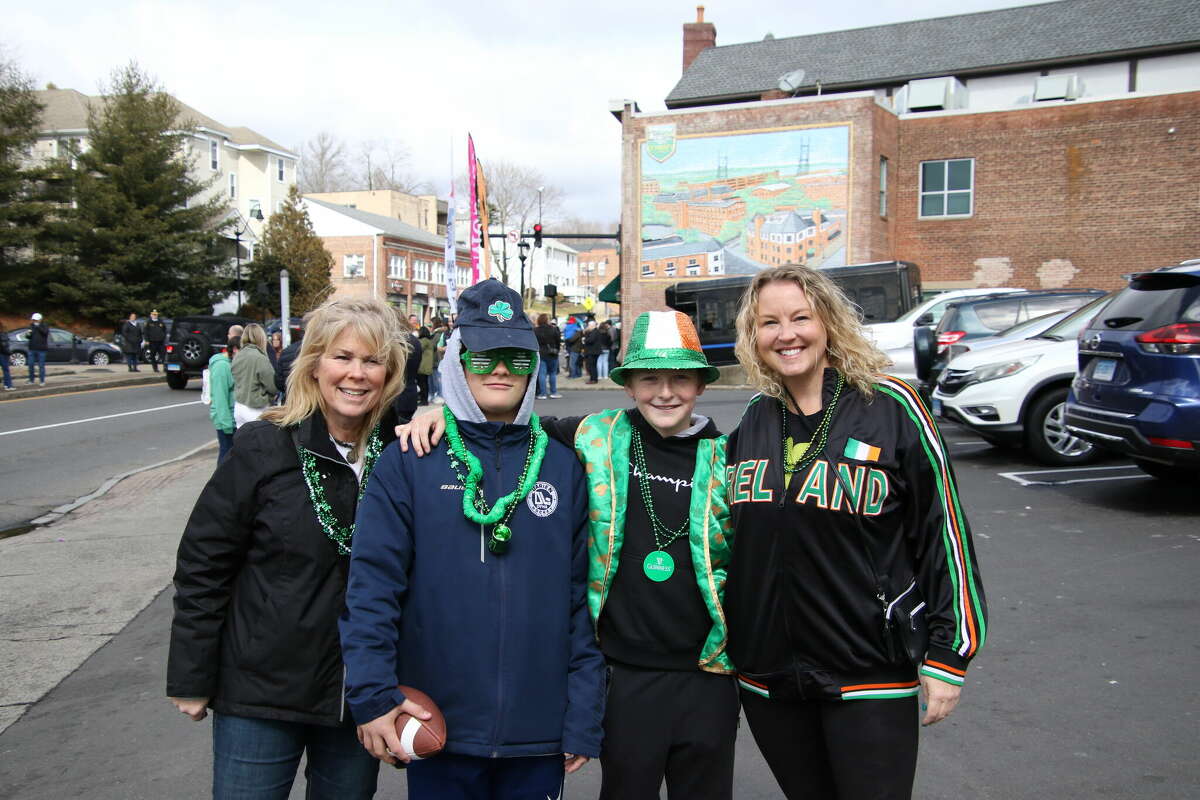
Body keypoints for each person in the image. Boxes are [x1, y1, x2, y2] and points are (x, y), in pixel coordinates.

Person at [398, 309, 739, 800]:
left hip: (706, 675)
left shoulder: (732, 455)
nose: (665, 392)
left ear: (701, 386)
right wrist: (441, 412)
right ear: (628, 386)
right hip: (625, 674)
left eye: (680, 379)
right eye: (649, 379)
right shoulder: (593, 435)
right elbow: (503, 422)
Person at [723, 265, 988, 800]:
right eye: (769, 323)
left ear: (829, 322)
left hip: (870, 673)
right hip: (769, 677)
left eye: (801, 317)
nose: (787, 334)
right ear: (754, 336)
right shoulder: (754, 417)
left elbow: (944, 535)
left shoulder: (891, 407)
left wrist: (949, 653)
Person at [339, 279, 605, 799]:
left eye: (517, 358)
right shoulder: (410, 460)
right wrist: (372, 695)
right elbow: (371, 588)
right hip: (439, 726)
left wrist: (583, 713)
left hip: (538, 734)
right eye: (483, 358)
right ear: (458, 361)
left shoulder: (563, 465)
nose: (501, 370)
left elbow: (582, 603)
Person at [167, 297, 409, 799]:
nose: (356, 374)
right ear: (315, 364)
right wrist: (192, 675)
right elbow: (204, 564)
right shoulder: (264, 446)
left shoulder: (404, 454)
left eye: (372, 361)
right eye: (342, 357)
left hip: (356, 696)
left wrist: (437, 415)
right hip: (261, 692)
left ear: (390, 374)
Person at [231, 323, 276, 428]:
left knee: (242, 442)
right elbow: (272, 386)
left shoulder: (238, 356)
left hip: (239, 406)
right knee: (260, 442)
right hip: (256, 407)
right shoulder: (260, 358)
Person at [208, 337, 238, 462]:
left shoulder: (229, 364)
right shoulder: (222, 367)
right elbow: (220, 397)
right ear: (236, 349)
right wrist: (227, 425)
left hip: (231, 419)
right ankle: (220, 482)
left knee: (230, 456)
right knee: (226, 456)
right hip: (227, 421)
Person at [534, 312, 562, 399]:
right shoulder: (553, 329)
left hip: (541, 353)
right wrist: (557, 349)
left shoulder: (535, 330)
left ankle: (543, 393)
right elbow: (558, 341)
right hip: (552, 353)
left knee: (542, 374)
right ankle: (553, 392)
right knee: (552, 373)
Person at [27, 313, 48, 385]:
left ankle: (42, 381)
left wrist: (38, 327)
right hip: (32, 348)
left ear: (40, 320)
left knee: (41, 365)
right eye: (33, 320)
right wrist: (28, 334)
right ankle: (31, 380)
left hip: (41, 349)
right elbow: (28, 337)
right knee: (30, 364)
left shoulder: (44, 325)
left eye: (36, 320)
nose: (34, 321)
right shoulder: (31, 326)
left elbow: (45, 333)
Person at [416, 325, 434, 405]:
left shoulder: (424, 340)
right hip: (426, 366)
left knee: (422, 384)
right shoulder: (428, 340)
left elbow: (417, 348)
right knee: (424, 384)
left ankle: (424, 401)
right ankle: (424, 400)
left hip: (423, 366)